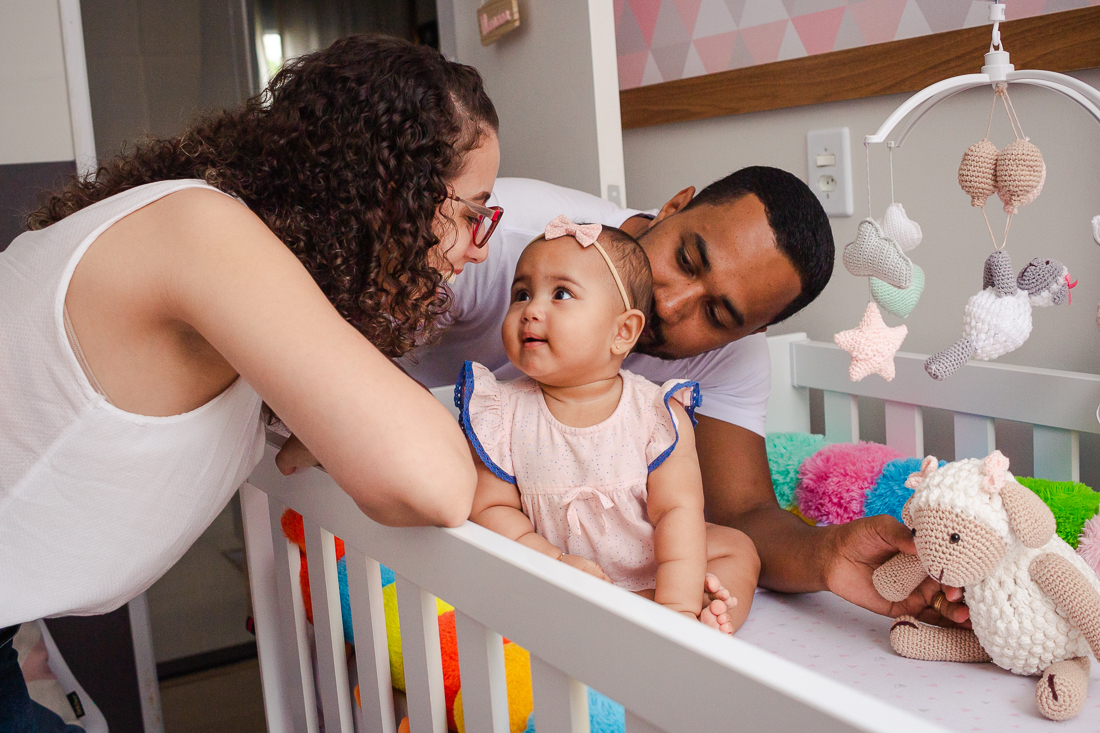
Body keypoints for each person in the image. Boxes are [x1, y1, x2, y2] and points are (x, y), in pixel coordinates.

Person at [0, 36, 498, 730]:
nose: (480, 247)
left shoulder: (210, 242)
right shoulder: (203, 231)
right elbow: (433, 480)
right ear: (394, 190)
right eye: (476, 212)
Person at [400, 170, 971, 627]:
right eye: (686, 259)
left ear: (748, 333)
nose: (671, 305)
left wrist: (826, 555)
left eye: (717, 314)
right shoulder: (507, 239)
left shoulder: (714, 369)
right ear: (672, 208)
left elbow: (741, 512)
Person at [459, 217, 759, 634]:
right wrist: (554, 562)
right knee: (511, 583)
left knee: (737, 550)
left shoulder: (656, 414)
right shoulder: (500, 413)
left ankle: (701, 623)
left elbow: (677, 511)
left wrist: (678, 606)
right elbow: (491, 509)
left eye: (560, 294)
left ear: (623, 331)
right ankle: (614, 618)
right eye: (522, 294)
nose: (531, 311)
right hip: (559, 578)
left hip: (652, 569)